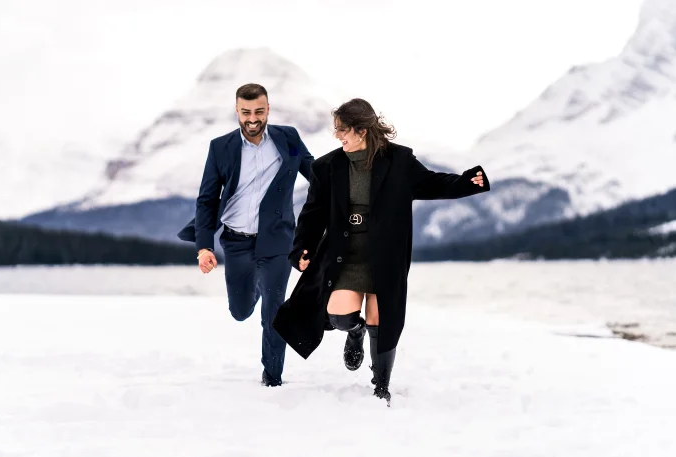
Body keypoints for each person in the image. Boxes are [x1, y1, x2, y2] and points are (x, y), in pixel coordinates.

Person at [272, 98, 490, 404]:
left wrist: (467, 183)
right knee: (338, 314)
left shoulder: (399, 161)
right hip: (345, 256)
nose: (337, 136)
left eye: (341, 130)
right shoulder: (327, 167)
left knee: (381, 319)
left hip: (384, 257)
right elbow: (312, 214)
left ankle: (381, 385)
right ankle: (355, 333)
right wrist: (301, 249)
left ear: (361, 130)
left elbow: (430, 184)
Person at [177, 83, 314, 387]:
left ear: (268, 109)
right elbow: (207, 200)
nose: (253, 118)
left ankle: (273, 377)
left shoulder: (288, 139)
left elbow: (315, 174)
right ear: (237, 111)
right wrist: (204, 247)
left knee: (274, 311)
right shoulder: (220, 147)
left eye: (259, 111)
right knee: (240, 311)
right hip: (236, 241)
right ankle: (255, 287)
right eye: (246, 112)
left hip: (277, 240)